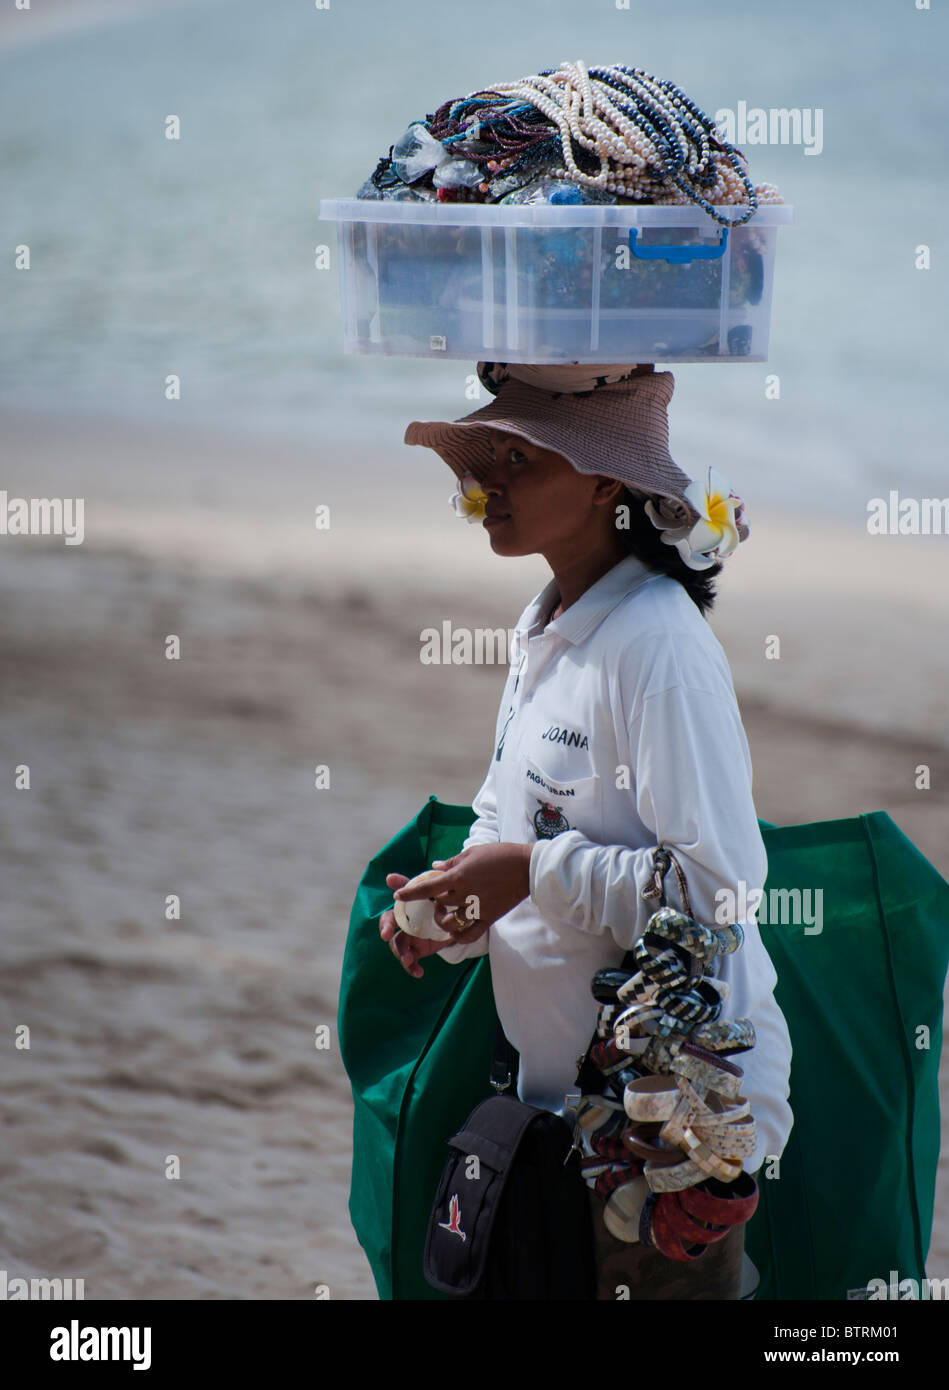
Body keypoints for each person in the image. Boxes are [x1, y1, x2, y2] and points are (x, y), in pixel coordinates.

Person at [377, 361, 793, 1299]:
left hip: (673, 1135)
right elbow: (507, 821)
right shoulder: (546, 627)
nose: (486, 485)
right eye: (484, 459)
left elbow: (719, 890)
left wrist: (528, 872)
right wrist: (450, 909)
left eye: (518, 459)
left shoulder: (658, 646)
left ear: (608, 484)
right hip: (561, 1111)